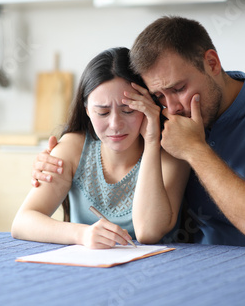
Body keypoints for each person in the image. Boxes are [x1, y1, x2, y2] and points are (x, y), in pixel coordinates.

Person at [31, 16, 245, 250]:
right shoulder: (168, 121)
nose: (172, 106)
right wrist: (52, 161)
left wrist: (195, 149)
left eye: (179, 89)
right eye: (159, 96)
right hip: (196, 266)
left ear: (212, 63)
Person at [12, 47, 189, 249]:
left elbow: (149, 232)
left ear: (149, 106)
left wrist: (151, 140)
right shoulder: (73, 148)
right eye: (103, 113)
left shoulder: (171, 152)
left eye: (128, 110)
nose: (115, 124)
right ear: (87, 110)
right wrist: (82, 234)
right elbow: (22, 222)